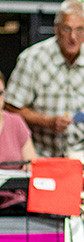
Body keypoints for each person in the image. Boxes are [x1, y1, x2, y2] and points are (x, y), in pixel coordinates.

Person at [5, 0, 84, 158]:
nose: (73, 37)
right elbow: (11, 107)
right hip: (39, 155)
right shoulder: (32, 59)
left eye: (79, 30)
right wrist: (47, 121)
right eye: (67, 29)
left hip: (81, 156)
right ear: (56, 29)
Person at [0, 71, 38, 211]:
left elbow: (32, 164)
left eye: (0, 94)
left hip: (15, 204)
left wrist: (29, 167)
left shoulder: (16, 122)